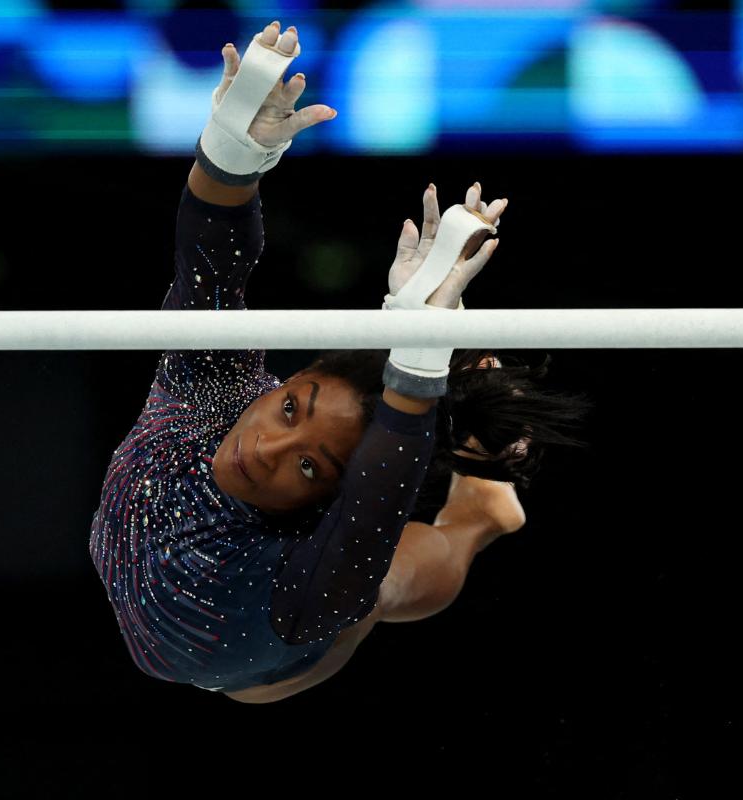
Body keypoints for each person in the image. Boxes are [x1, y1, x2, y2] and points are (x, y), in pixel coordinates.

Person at [89, 21, 591, 703]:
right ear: (292, 377)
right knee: (371, 543)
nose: (267, 444)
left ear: (326, 499)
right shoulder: (212, 389)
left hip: (264, 663)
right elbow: (210, 264)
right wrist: (231, 155)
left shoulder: (300, 585)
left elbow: (376, 493)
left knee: (384, 581)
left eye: (307, 467)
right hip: (271, 589)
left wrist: (420, 365)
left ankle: (481, 513)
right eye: (293, 407)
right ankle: (436, 393)